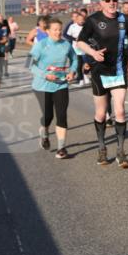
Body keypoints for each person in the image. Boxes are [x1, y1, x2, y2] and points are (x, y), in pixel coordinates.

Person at [77, 0, 128, 168]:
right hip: (99, 70)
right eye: (108, 0)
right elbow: (80, 41)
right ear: (101, 3)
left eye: (114, 0)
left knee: (119, 111)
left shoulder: (125, 19)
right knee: (101, 113)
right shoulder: (93, 20)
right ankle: (102, 148)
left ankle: (121, 151)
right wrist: (93, 53)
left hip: (118, 69)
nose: (112, 3)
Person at [30, 19, 77, 159]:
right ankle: (44, 132)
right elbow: (29, 64)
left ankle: (61, 148)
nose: (58, 32)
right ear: (48, 31)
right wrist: (45, 75)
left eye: (60, 29)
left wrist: (72, 72)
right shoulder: (41, 45)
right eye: (55, 29)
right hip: (42, 86)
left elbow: (74, 59)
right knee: (48, 116)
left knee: (62, 115)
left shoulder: (66, 44)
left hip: (61, 84)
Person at [64, 9, 88, 85]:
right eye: (79, 19)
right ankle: (80, 79)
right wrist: (75, 39)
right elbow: (67, 35)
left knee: (87, 64)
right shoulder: (72, 26)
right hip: (76, 49)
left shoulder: (86, 26)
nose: (81, 21)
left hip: (85, 49)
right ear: (76, 20)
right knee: (78, 64)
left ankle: (85, 75)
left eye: (82, 19)